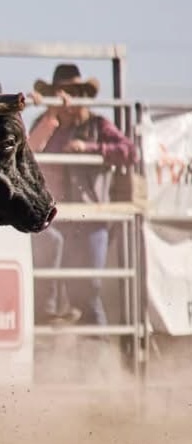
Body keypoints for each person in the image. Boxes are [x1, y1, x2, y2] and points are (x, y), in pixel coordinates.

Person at [28, 63, 137, 326]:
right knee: (46, 286)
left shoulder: (97, 125)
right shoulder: (44, 123)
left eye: (75, 92)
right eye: (62, 92)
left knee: (87, 291)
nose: (68, 99)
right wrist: (50, 116)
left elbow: (129, 151)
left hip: (89, 221)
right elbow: (29, 153)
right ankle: (51, 346)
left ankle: (95, 351)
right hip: (54, 218)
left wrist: (89, 148)